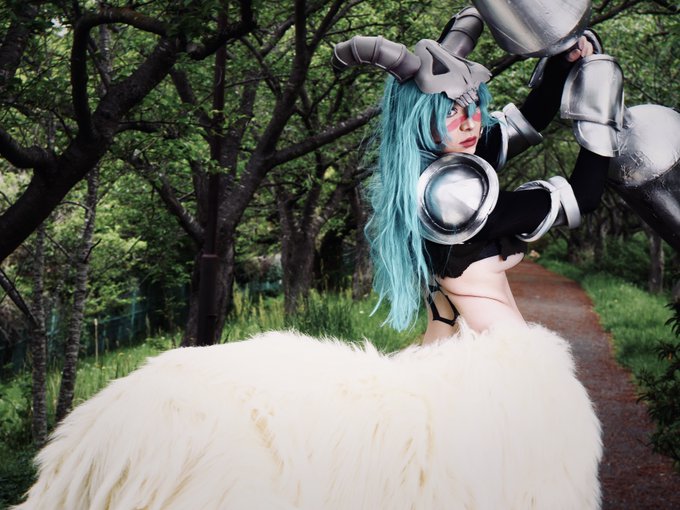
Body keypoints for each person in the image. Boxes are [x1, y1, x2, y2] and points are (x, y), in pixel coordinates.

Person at [361, 35, 610, 343]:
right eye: (449, 112)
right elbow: (582, 196)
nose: (470, 124)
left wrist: (563, 62)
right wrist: (602, 102)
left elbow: (528, 121)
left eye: (474, 105)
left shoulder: (428, 171)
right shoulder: (453, 198)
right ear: (417, 119)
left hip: (450, 349)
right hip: (495, 352)